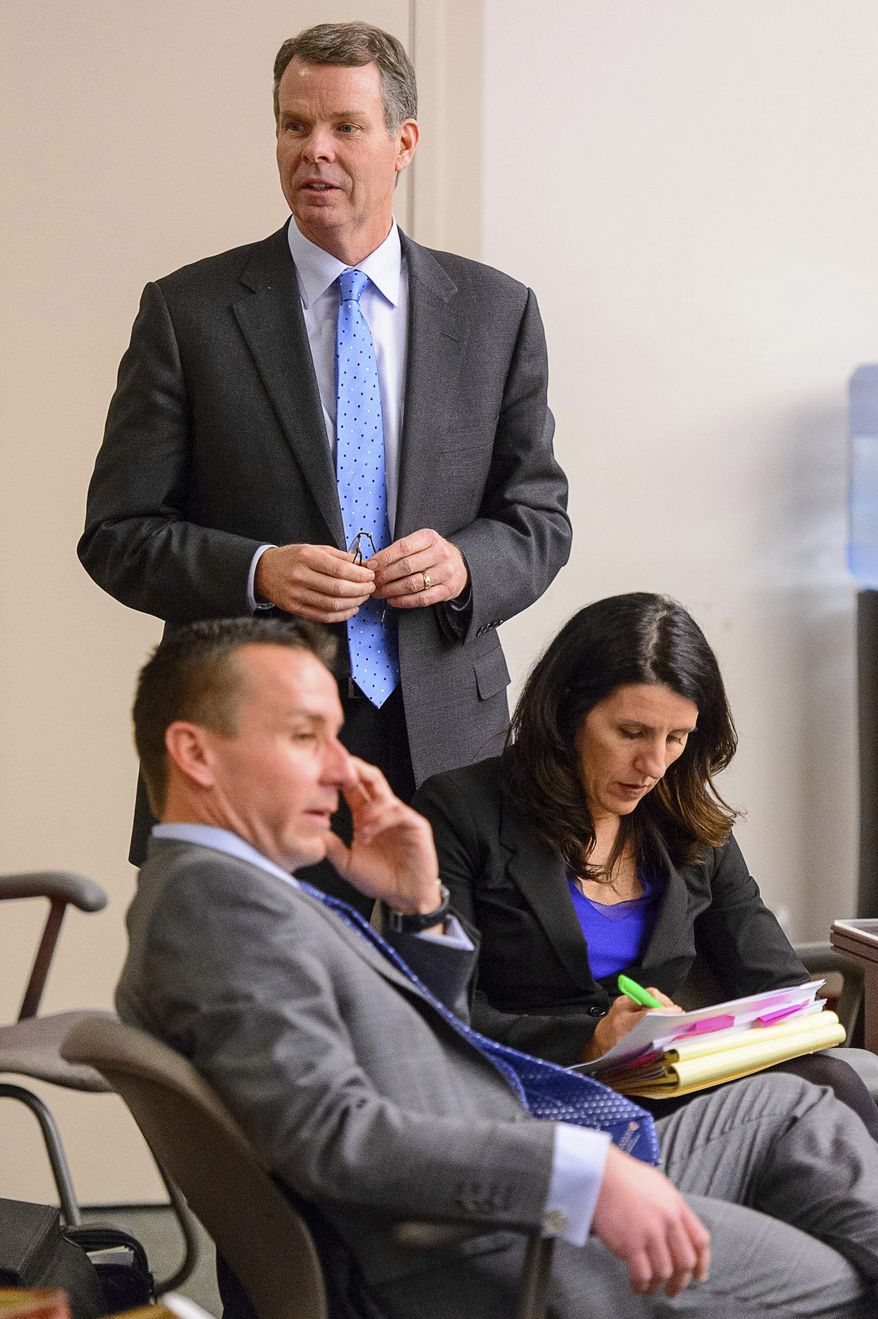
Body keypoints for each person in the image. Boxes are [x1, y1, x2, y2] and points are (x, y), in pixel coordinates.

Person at [116, 614, 878, 1317]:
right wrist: (581, 1172)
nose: (342, 769)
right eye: (306, 736)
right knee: (841, 1281)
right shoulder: (216, 907)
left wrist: (418, 910)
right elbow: (333, 1134)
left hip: (507, 1169)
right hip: (489, 1238)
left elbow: (422, 1044)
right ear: (195, 752)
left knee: (798, 1114)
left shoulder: (234, 890)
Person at [76, 20, 571, 903]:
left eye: (345, 126)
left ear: (403, 142)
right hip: (250, 747)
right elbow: (117, 534)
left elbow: (538, 519)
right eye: (294, 126)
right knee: (256, 1025)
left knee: (446, 1023)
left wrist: (463, 565)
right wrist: (259, 570)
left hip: (448, 746)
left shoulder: (497, 314)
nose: (316, 151)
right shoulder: (188, 315)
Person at [412, 592, 878, 1135]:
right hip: (532, 1091)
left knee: (828, 1084)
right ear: (567, 713)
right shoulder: (460, 809)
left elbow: (774, 984)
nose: (654, 764)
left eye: (676, 738)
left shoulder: (690, 822)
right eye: (631, 733)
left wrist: (764, 1027)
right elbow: (442, 1008)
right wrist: (588, 1040)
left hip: (670, 1084)